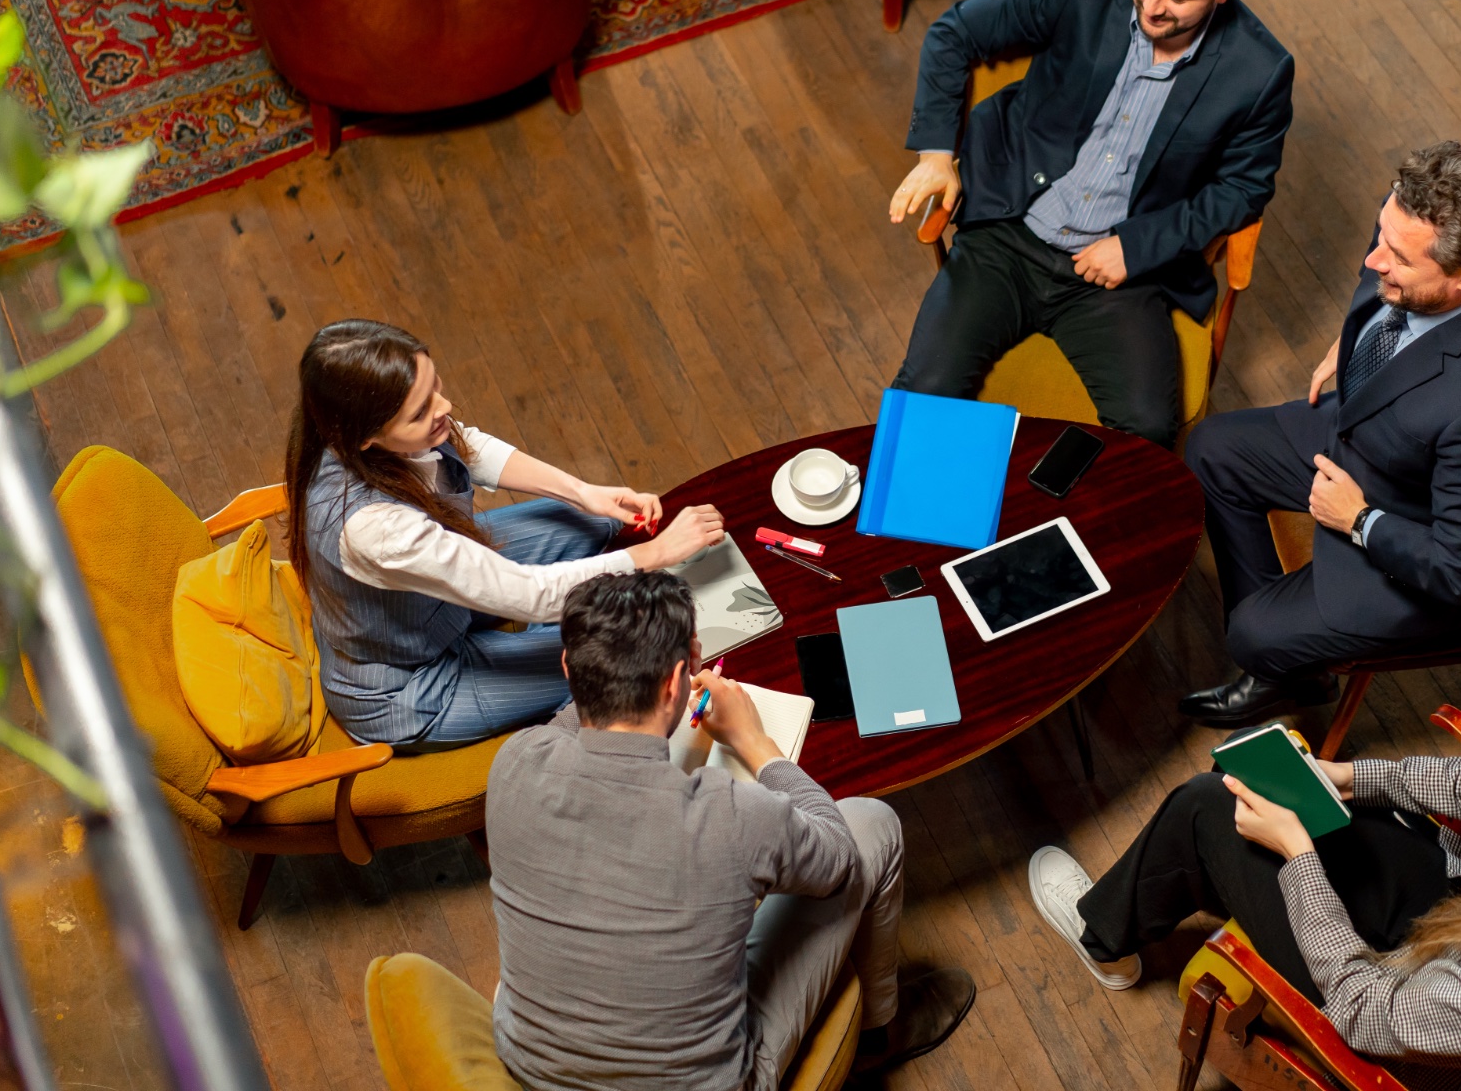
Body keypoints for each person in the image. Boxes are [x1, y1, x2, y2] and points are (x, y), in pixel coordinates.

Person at [485, 572, 975, 1090]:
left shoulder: (515, 760)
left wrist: (627, 675)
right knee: (872, 824)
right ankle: (879, 1036)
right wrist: (751, 738)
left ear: (568, 667)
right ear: (677, 682)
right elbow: (836, 857)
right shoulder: (732, 814)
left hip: (532, 1066)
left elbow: (575, 725)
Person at [1028, 751, 1461, 1091]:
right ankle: (1202, 872)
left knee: (1209, 804)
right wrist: (1347, 778)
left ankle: (1104, 941)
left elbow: (1365, 1008)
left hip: (1397, 996)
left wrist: (1299, 857)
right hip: (1457, 914)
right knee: (1255, 772)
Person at [888, 0, 1294, 446]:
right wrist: (936, 155)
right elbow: (955, 32)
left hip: (1119, 274)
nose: (1152, 6)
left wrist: (1136, 247)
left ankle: (1063, 506)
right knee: (923, 394)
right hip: (1007, 233)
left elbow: (1243, 188)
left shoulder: (1260, 70)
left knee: (1147, 433)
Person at [1179, 142, 1461, 726]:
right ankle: (1286, 664)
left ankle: (1276, 663)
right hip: (1364, 428)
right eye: (1383, 234)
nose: (1375, 259)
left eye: (1397, 259)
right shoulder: (1421, 217)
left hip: (1403, 510)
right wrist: (1364, 334)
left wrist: (1358, 519)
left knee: (1249, 635)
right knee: (1210, 450)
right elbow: (1386, 255)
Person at [285, 319, 724, 751]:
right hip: (412, 682)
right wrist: (658, 552)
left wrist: (584, 493)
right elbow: (531, 593)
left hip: (429, 603)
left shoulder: (360, 431)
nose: (445, 406)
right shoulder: (374, 529)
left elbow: (465, 444)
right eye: (420, 413)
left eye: (435, 386)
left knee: (593, 522)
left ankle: (543, 628)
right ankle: (547, 641)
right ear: (365, 437)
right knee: (629, 656)